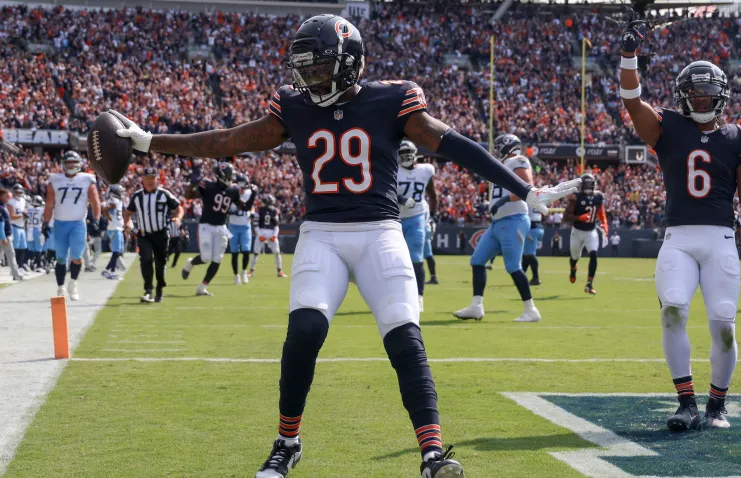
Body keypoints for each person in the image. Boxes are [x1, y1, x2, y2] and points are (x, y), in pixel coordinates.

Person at [112, 14, 575, 478]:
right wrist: (152, 142)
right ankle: (287, 442)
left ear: (349, 63)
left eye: (318, 68)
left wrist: (525, 190)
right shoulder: (292, 105)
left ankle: (433, 454)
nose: (308, 79)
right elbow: (229, 141)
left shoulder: (394, 99)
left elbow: (453, 144)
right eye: (304, 69)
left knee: (404, 335)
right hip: (323, 235)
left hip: (380, 232)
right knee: (306, 331)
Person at [619, 9, 741, 431]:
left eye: (707, 95)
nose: (701, 101)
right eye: (695, 94)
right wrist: (630, 52)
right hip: (679, 239)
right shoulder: (668, 126)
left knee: (723, 323)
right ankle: (686, 402)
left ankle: (717, 404)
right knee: (673, 310)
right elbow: (632, 99)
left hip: (721, 238)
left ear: (720, 96)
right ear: (684, 95)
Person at [454, 133, 558, 323]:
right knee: (477, 261)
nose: (495, 150)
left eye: (498, 146)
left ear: (508, 146)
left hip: (514, 219)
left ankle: (531, 310)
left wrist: (502, 201)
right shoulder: (501, 166)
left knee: (513, 267)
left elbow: (527, 188)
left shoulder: (518, 160)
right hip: (497, 222)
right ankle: (476, 306)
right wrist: (490, 204)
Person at [181, 162, 253, 296]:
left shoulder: (233, 190)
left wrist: (253, 194)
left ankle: (202, 287)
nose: (232, 178)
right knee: (206, 257)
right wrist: (192, 183)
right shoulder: (209, 185)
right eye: (230, 175)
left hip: (221, 227)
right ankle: (190, 263)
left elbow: (244, 207)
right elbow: (188, 196)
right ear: (222, 176)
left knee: (217, 258)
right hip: (206, 226)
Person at [43, 151, 101, 301]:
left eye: (74, 162)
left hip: (78, 223)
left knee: (77, 256)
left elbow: (95, 202)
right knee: (61, 258)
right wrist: (45, 222)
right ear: (63, 164)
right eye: (68, 162)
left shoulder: (87, 179)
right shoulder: (55, 179)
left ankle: (73, 283)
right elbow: (49, 204)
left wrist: (95, 220)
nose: (71, 165)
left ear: (79, 164)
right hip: (59, 223)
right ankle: (61, 287)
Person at [125, 167, 184, 303]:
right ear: (143, 180)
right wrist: (127, 223)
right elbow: (128, 212)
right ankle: (148, 290)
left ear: (157, 179)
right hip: (144, 234)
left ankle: (159, 289)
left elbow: (179, 208)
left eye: (153, 178)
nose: (150, 181)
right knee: (145, 259)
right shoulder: (137, 196)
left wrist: (179, 218)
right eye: (148, 178)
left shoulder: (165, 194)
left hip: (161, 234)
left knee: (160, 263)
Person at [397, 140, 436, 311]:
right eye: (402, 153)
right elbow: (386, 193)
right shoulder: (393, 170)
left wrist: (433, 216)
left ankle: (419, 297)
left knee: (416, 258)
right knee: (395, 260)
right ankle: (398, 295)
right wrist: (403, 200)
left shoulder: (425, 170)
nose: (405, 156)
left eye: (408, 152)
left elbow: (432, 195)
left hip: (417, 217)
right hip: (395, 218)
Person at [565, 173, 608, 294]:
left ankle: (589, 284)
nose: (589, 187)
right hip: (577, 231)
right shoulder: (575, 197)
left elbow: (601, 212)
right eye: (587, 184)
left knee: (594, 254)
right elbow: (566, 217)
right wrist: (579, 217)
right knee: (574, 257)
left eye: (590, 184)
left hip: (591, 231)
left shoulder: (598, 196)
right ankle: (573, 268)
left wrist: (604, 223)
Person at [229, 173, 257, 284]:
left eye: (243, 185)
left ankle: (244, 272)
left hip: (245, 226)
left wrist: (253, 212)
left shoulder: (249, 193)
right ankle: (236, 275)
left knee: (246, 251)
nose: (241, 187)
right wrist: (229, 212)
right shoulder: (231, 192)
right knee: (234, 253)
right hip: (233, 225)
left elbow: (252, 206)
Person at [249, 194, 286, 278]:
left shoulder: (270, 211)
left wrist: (274, 235)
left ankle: (280, 271)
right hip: (264, 231)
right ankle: (251, 271)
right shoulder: (262, 211)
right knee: (256, 253)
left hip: (268, 232)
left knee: (277, 253)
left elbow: (276, 225)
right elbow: (256, 225)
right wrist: (261, 235)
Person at [102, 185, 126, 280]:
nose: (122, 192)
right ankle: (109, 271)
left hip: (117, 228)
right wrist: (109, 218)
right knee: (116, 252)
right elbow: (105, 209)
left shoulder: (117, 200)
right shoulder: (114, 200)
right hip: (114, 228)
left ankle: (109, 271)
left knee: (118, 252)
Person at [0, 188, 21, 280]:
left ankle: (15, 274)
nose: (9, 198)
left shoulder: (4, 206)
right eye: (6, 196)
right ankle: (15, 274)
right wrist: (3, 237)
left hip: (5, 235)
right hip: (4, 236)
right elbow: (0, 223)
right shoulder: (1, 207)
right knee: (11, 255)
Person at [7, 183, 28, 272]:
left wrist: (25, 215)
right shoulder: (11, 201)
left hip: (21, 226)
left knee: (23, 247)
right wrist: (22, 215)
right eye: (17, 191)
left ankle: (21, 265)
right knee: (15, 248)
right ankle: (15, 267)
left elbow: (24, 211)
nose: (18, 193)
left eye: (20, 191)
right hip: (14, 226)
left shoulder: (23, 200)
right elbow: (11, 216)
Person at [522, 209, 544, 285]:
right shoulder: (538, 198)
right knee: (525, 254)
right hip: (539, 227)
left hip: (532, 228)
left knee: (529, 255)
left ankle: (536, 278)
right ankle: (520, 277)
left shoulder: (527, 199)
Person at [25, 195, 46, 272]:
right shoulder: (42, 210)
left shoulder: (28, 209)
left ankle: (25, 263)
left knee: (30, 248)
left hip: (29, 229)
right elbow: (44, 219)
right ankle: (38, 265)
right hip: (37, 229)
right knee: (39, 248)